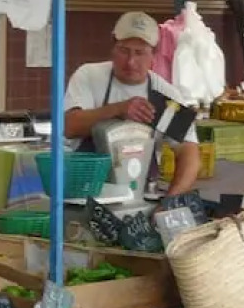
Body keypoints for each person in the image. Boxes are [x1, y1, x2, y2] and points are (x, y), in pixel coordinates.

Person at [62, 11, 201, 197]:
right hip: (84, 191)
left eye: (140, 53)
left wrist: (170, 200)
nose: (131, 62)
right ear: (113, 47)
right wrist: (118, 109)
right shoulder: (89, 76)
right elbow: (70, 126)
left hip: (140, 194)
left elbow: (189, 153)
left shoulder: (166, 96)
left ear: (154, 55)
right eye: (124, 50)